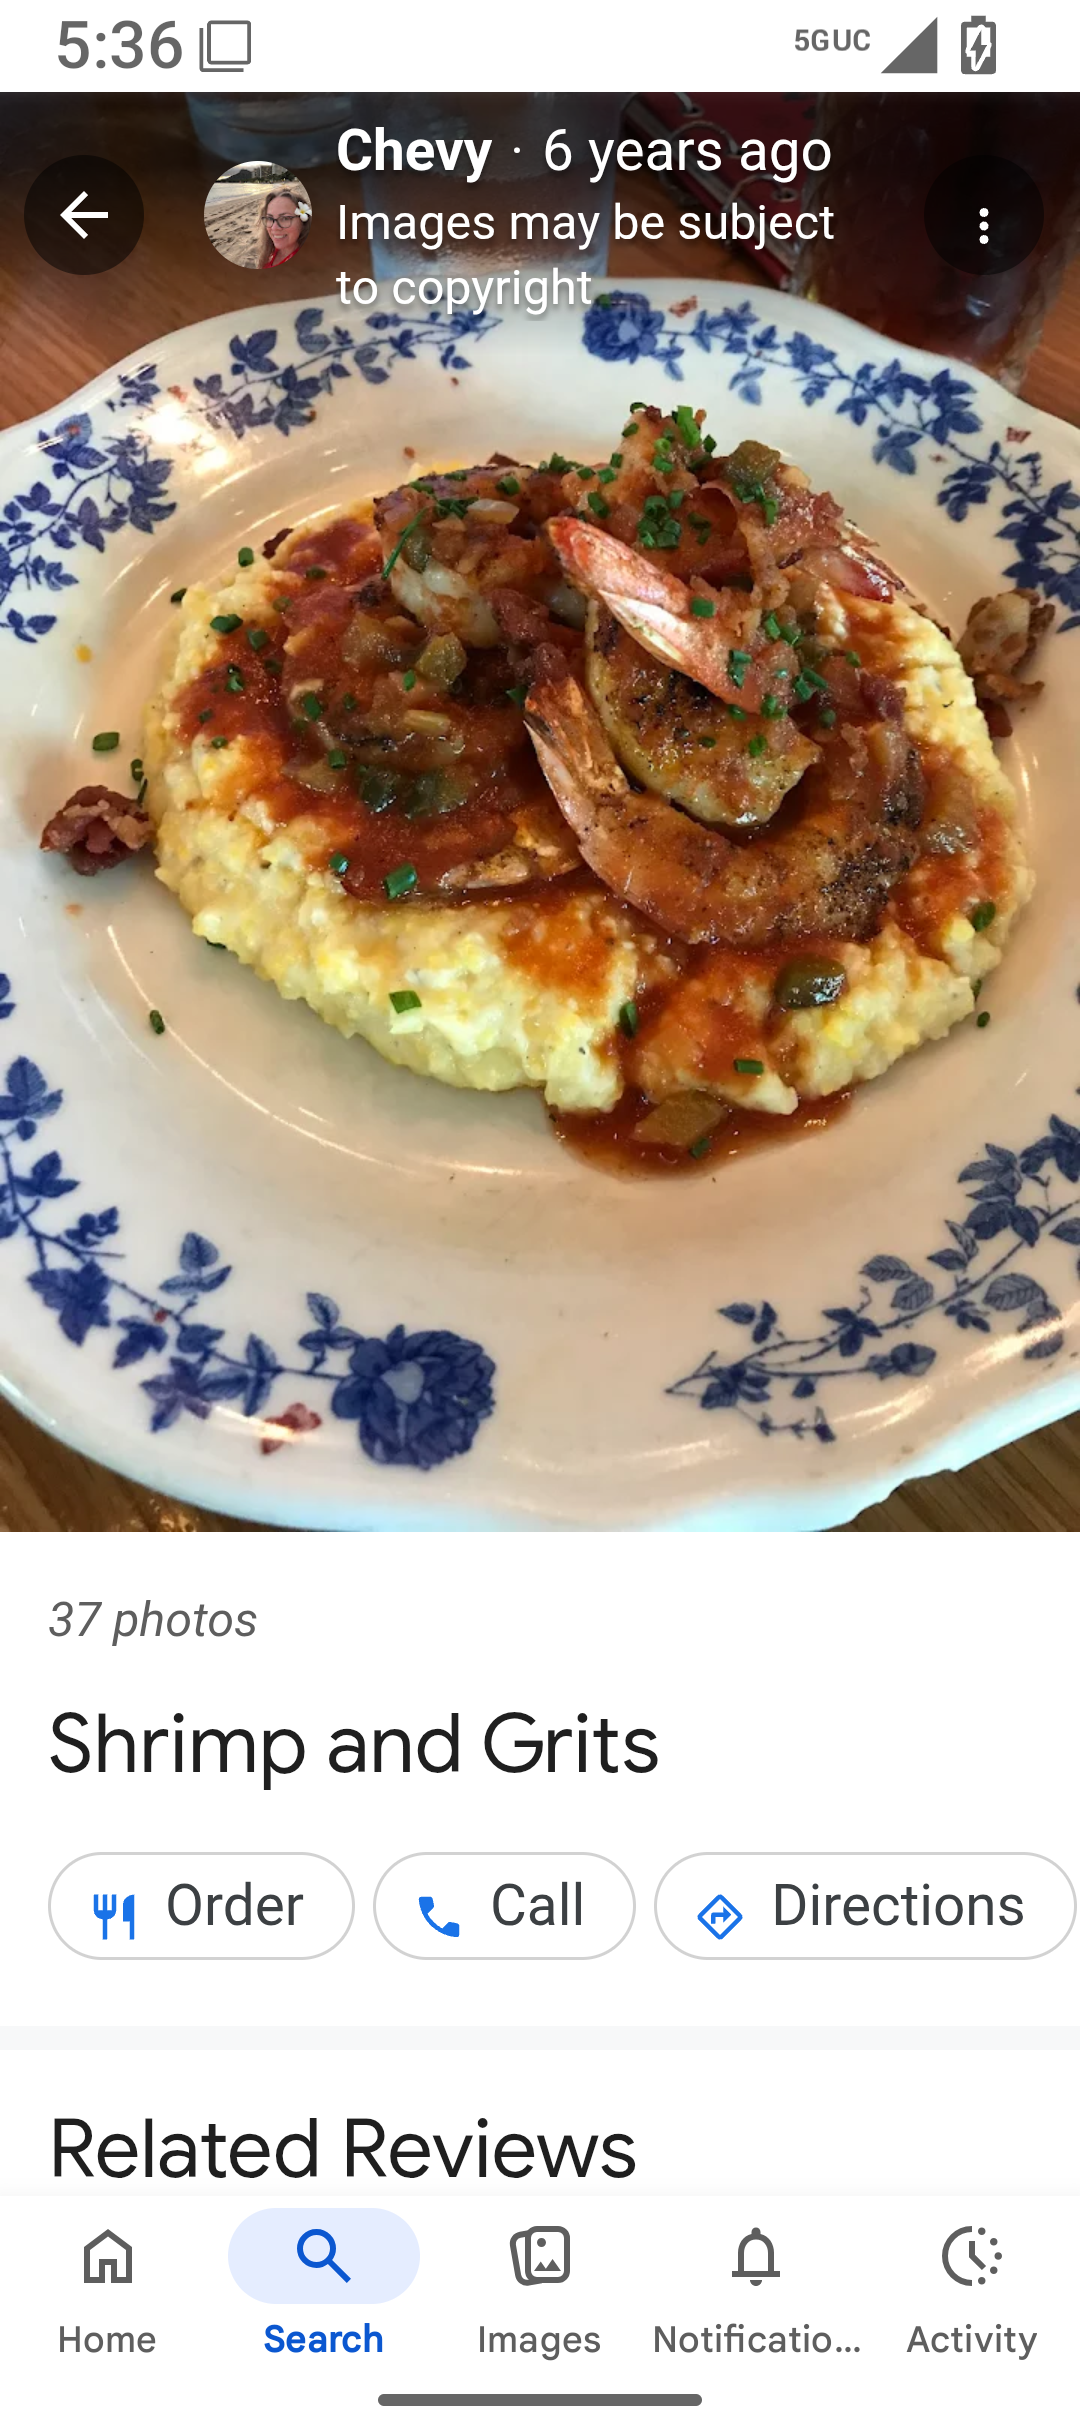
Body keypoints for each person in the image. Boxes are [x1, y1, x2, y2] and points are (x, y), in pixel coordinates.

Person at [257, 188, 310, 269]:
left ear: (303, 222)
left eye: (285, 218)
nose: (274, 228)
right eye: (270, 218)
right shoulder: (269, 251)